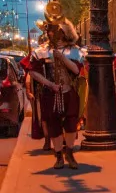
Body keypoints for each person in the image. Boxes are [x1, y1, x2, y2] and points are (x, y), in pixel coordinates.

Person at [26, 18, 85, 169]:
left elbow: (77, 70)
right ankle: (59, 156)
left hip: (69, 91)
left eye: (54, 30)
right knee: (54, 124)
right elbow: (32, 72)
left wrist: (62, 57)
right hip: (50, 93)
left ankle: (70, 153)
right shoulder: (41, 51)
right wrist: (50, 85)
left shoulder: (74, 50)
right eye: (49, 30)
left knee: (71, 124)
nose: (50, 33)